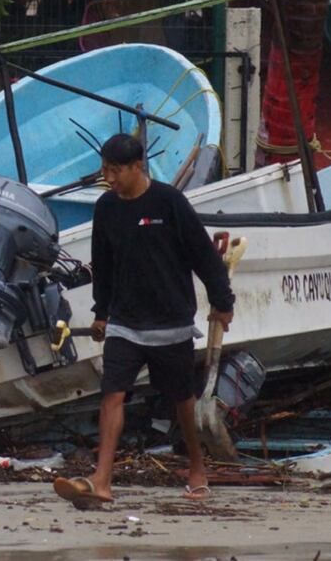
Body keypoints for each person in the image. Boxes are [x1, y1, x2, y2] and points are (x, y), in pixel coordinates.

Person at [54, 133, 235, 506]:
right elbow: (102, 265)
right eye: (104, 169)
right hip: (125, 321)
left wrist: (223, 302)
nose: (109, 177)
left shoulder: (169, 202)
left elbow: (204, 256)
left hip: (171, 321)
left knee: (182, 401)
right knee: (112, 394)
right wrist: (101, 312)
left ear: (138, 166)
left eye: (116, 170)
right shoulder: (106, 208)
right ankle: (101, 480)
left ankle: (197, 467)